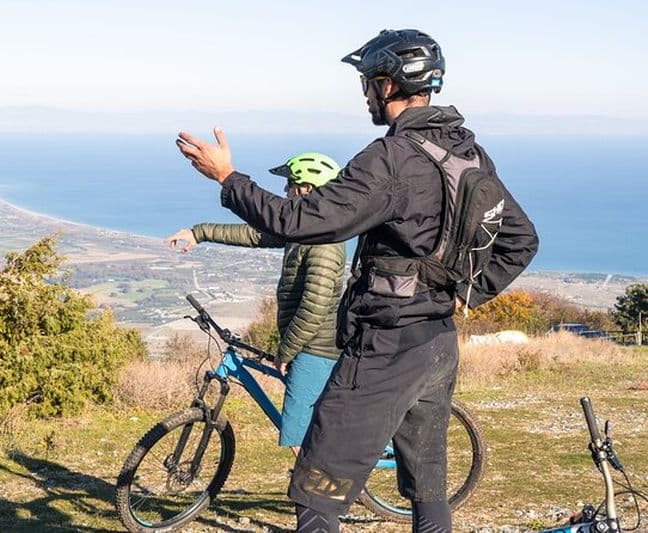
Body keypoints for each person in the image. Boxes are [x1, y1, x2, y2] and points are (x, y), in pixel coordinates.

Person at [175, 29, 538, 533]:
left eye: (368, 81)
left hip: (385, 343)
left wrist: (228, 179)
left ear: (387, 85)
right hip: (437, 341)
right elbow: (520, 239)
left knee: (317, 492)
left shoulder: (391, 159)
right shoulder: (467, 153)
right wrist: (460, 291)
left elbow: (297, 221)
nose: (365, 92)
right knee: (427, 490)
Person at [167, 153, 346, 454]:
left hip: (316, 348)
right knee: (307, 428)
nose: (285, 192)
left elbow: (314, 308)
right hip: (306, 344)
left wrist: (285, 352)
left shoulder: (324, 246)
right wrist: (200, 233)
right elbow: (254, 235)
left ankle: (316, 494)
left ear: (307, 189)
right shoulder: (305, 231)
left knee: (298, 437)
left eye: (290, 184)